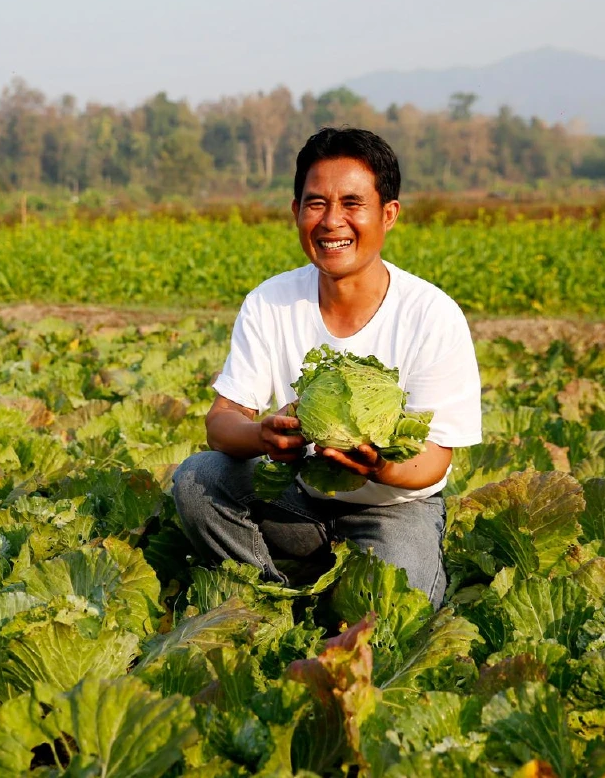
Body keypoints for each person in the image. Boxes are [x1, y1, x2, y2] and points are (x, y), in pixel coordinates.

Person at [171, 127, 482, 607]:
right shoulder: (270, 301)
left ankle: (342, 585)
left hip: (395, 510)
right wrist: (263, 437)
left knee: (397, 610)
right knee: (200, 478)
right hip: (297, 500)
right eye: (316, 204)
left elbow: (434, 460)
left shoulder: (431, 314)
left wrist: (379, 465)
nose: (332, 221)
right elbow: (221, 422)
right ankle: (271, 603)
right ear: (296, 212)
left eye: (353, 204)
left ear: (388, 214)